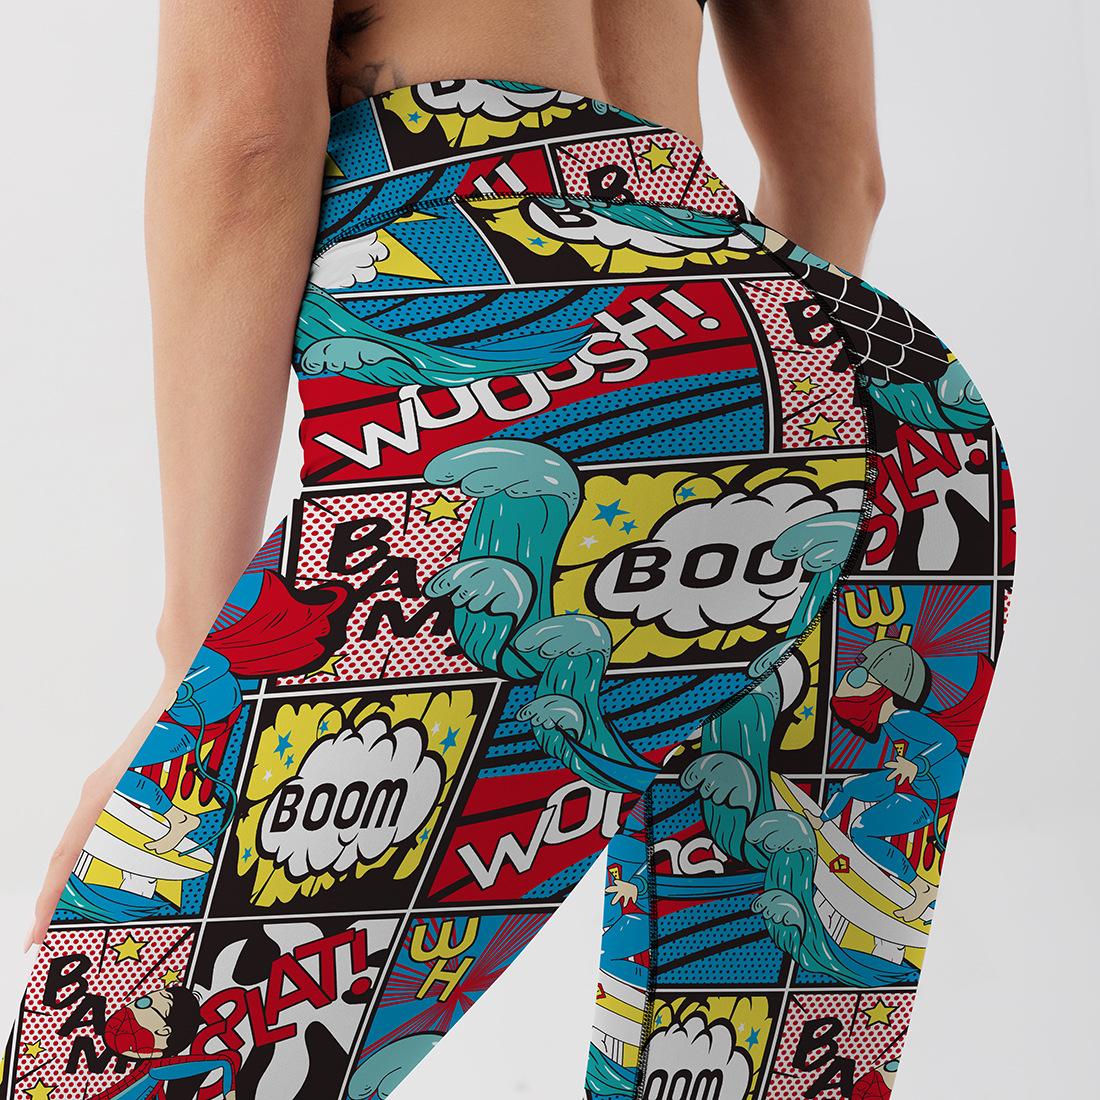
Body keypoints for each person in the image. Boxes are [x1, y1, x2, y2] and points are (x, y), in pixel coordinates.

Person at [2, 2, 1015, 1098]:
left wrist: (196, 662)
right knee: (738, 1056)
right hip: (889, 412)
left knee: (119, 1053)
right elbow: (840, 173)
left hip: (551, 384)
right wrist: (758, 439)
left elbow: (243, 137)